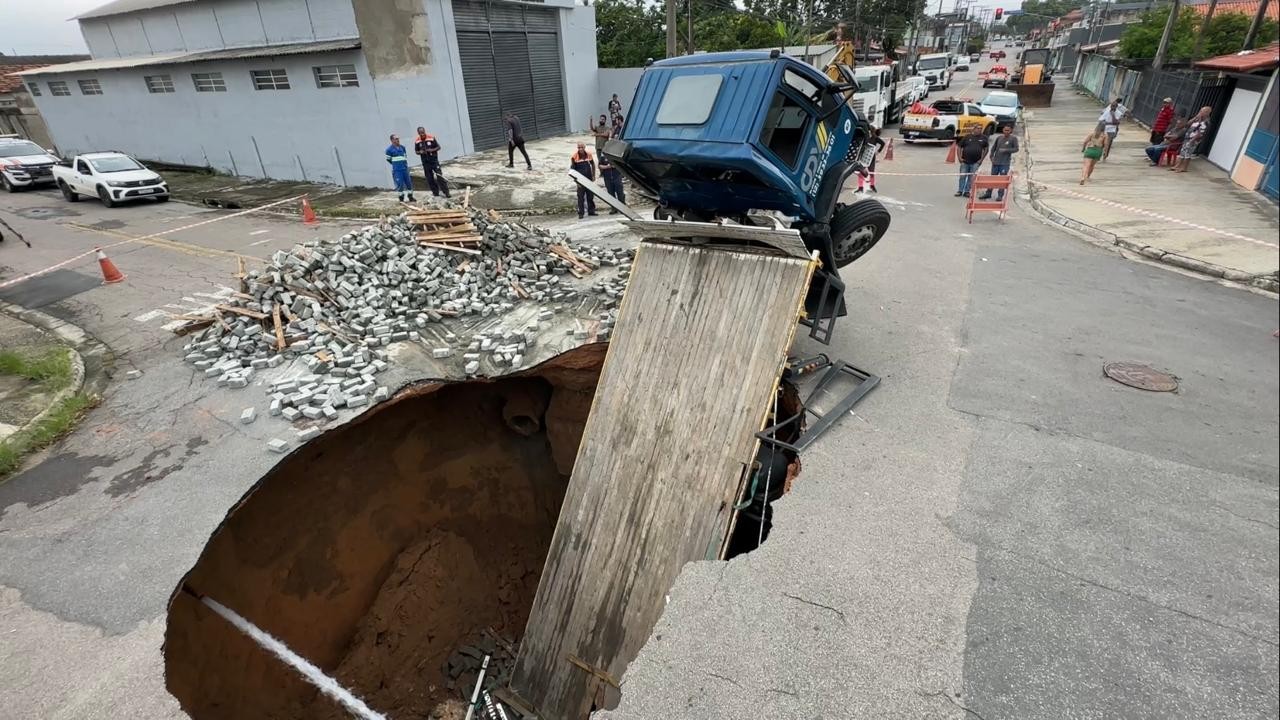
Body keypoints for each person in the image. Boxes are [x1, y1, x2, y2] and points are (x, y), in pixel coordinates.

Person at [979, 124, 1019, 200]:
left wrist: (1006, 150)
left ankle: (1000, 195)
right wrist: (991, 157)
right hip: (995, 162)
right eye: (1005, 130)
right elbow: (993, 148)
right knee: (992, 178)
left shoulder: (1013, 139)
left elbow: (1016, 149)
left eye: (1008, 130)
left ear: (1011, 131)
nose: (1006, 132)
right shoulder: (999, 138)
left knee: (1002, 179)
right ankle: (988, 193)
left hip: (1005, 163)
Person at [1172, 106, 1211, 173]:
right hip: (1187, 137)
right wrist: (1195, 118)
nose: (1200, 112)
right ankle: (1177, 165)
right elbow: (1188, 124)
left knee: (1187, 154)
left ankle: (1184, 168)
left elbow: (1200, 133)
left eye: (1202, 111)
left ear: (1207, 113)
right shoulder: (1197, 119)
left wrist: (1192, 140)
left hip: (1193, 139)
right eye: (1200, 111)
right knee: (1182, 152)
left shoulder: (1205, 122)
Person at [413, 126, 449, 198]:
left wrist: (431, 150)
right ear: (418, 133)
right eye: (420, 133)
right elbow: (416, 151)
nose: (422, 134)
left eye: (423, 132)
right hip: (425, 162)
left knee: (439, 176)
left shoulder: (431, 138)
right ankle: (435, 192)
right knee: (429, 178)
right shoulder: (417, 141)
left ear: (425, 131)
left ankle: (446, 192)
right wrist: (420, 152)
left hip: (434, 161)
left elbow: (438, 147)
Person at [955, 124, 989, 198]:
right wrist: (959, 158)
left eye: (981, 128)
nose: (979, 130)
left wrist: (981, 160)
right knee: (962, 176)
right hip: (965, 161)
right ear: (974, 129)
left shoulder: (984, 138)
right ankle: (960, 190)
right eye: (978, 128)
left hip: (976, 162)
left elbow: (986, 149)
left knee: (971, 177)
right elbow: (959, 147)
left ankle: (967, 191)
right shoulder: (967, 137)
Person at [569, 142, 598, 218]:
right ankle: (581, 213)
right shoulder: (574, 157)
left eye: (582, 147)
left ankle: (591, 211)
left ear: (584, 147)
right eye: (579, 147)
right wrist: (576, 181)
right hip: (580, 180)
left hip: (589, 178)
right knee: (580, 197)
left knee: (590, 195)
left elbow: (593, 164)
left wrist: (593, 175)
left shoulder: (589, 154)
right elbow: (572, 171)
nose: (580, 149)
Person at [385, 134, 415, 202]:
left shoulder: (402, 147)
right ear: (392, 140)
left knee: (409, 183)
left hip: (405, 169)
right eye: (396, 139)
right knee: (400, 184)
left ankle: (410, 197)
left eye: (398, 138)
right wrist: (396, 164)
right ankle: (401, 198)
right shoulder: (389, 150)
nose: (398, 140)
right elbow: (389, 159)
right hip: (397, 170)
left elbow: (405, 157)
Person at [855, 127, 885, 193]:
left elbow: (883, 143)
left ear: (871, 131)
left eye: (869, 131)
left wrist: (878, 151)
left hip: (871, 158)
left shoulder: (875, 138)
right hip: (863, 157)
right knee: (861, 172)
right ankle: (860, 187)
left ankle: (872, 186)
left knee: (871, 172)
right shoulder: (865, 137)